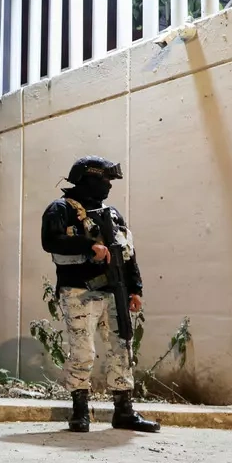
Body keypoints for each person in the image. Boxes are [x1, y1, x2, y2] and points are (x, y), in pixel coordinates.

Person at [40, 155, 159, 434]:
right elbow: (50, 241)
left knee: (122, 348)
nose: (109, 185)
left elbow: (127, 253)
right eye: (104, 179)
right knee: (83, 351)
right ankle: (80, 411)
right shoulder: (61, 209)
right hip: (79, 291)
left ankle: (124, 410)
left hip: (115, 291)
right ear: (88, 178)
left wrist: (135, 289)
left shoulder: (112, 214)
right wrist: (87, 246)